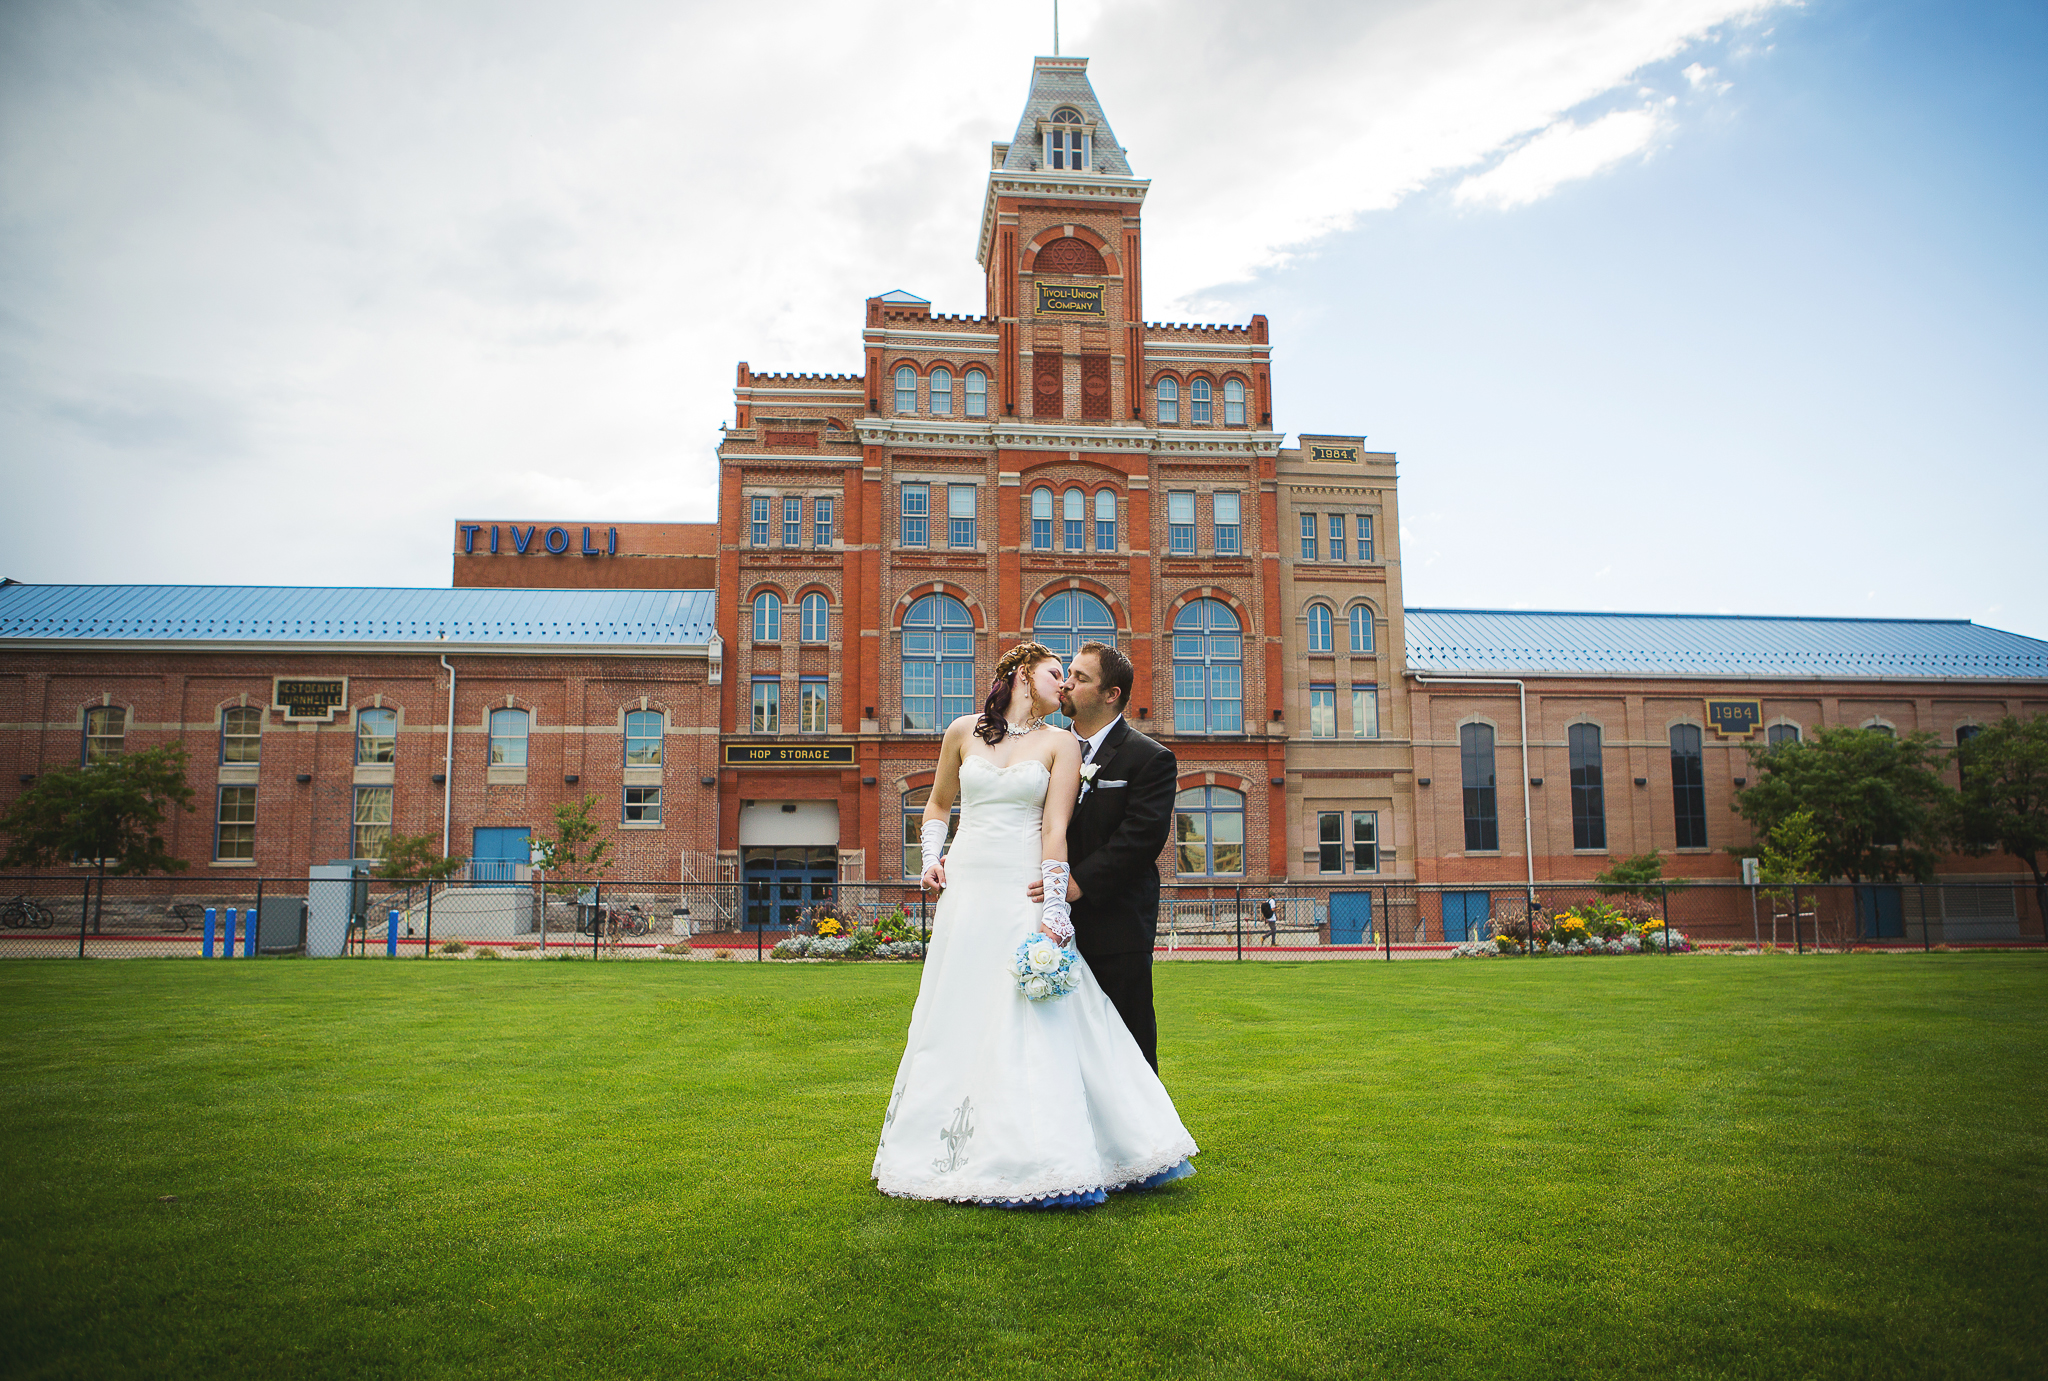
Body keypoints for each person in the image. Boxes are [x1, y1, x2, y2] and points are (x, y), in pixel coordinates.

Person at [871, 642, 1197, 1207]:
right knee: (957, 1013)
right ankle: (944, 1147)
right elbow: (938, 805)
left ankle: (1068, 1147)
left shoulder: (1063, 743)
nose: (1065, 684)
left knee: (1038, 1018)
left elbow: (1057, 827)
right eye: (1058, 673)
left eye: (1073, 676)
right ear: (1023, 674)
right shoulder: (961, 731)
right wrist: (931, 858)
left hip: (1027, 888)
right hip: (967, 891)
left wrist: (1053, 902)